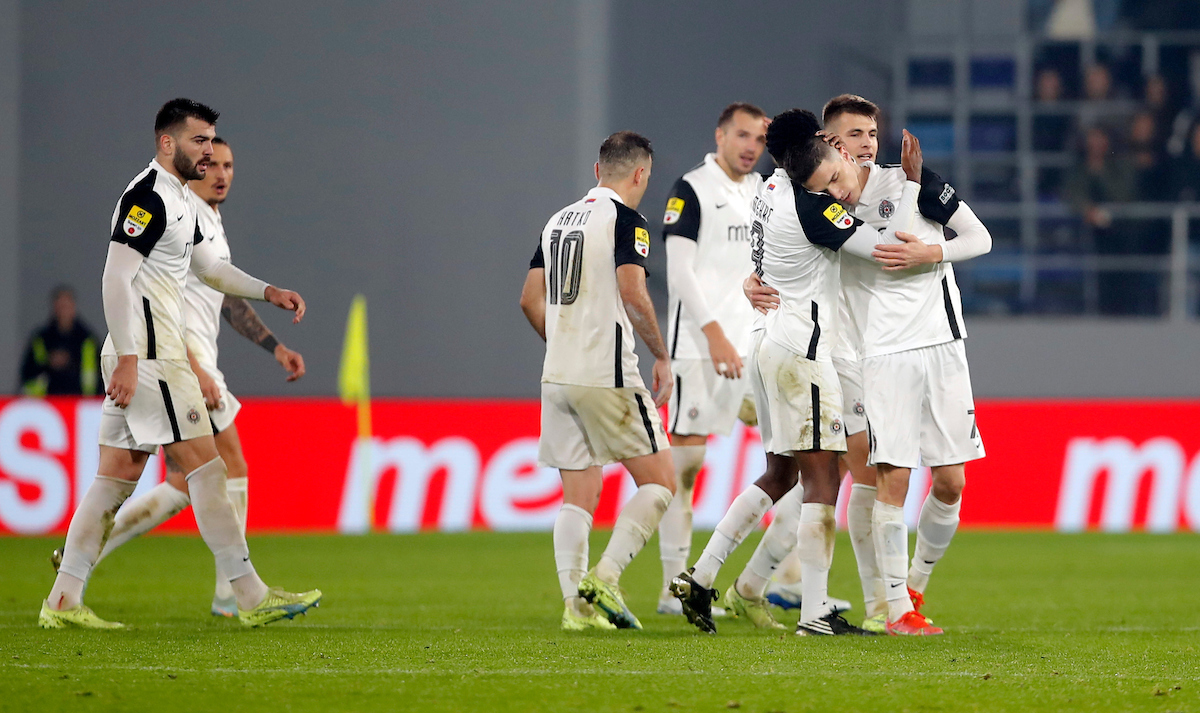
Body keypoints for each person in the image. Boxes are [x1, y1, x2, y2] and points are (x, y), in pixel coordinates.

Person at [38, 98, 319, 630]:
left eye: (211, 141)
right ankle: (249, 595)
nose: (208, 152)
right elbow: (115, 276)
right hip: (152, 357)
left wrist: (268, 291)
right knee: (208, 471)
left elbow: (212, 269)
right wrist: (128, 358)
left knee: (116, 477)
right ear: (167, 143)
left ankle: (63, 599)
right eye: (199, 141)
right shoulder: (147, 196)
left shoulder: (181, 199)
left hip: (149, 356)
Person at [671, 109, 919, 636]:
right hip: (802, 352)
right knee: (822, 479)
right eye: (826, 178)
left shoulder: (769, 186)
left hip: (768, 341)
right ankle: (814, 612)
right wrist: (912, 193)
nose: (832, 186)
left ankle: (701, 576)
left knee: (779, 474)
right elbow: (884, 249)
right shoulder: (811, 208)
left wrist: (751, 277)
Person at [519, 131, 677, 632]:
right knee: (661, 481)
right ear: (640, 174)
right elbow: (632, 291)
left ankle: (576, 607)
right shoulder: (626, 219)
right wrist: (661, 355)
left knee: (579, 494)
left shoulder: (557, 220)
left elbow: (528, 299)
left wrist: (563, 342)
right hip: (606, 373)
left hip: (557, 375)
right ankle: (605, 577)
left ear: (596, 170)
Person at [656, 102, 767, 618]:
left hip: (755, 345)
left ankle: (781, 578)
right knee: (686, 468)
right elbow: (679, 273)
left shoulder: (763, 190)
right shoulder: (692, 189)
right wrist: (714, 333)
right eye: (742, 135)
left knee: (798, 455)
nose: (751, 147)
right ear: (720, 135)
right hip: (700, 348)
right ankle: (672, 588)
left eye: (759, 139)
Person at [20, 286, 102, 396]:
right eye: (60, 307)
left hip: (81, 401)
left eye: (66, 306)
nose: (63, 312)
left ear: (73, 307)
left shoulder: (88, 340)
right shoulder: (41, 339)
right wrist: (49, 363)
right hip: (47, 401)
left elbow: (100, 373)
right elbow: (27, 374)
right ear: (54, 308)